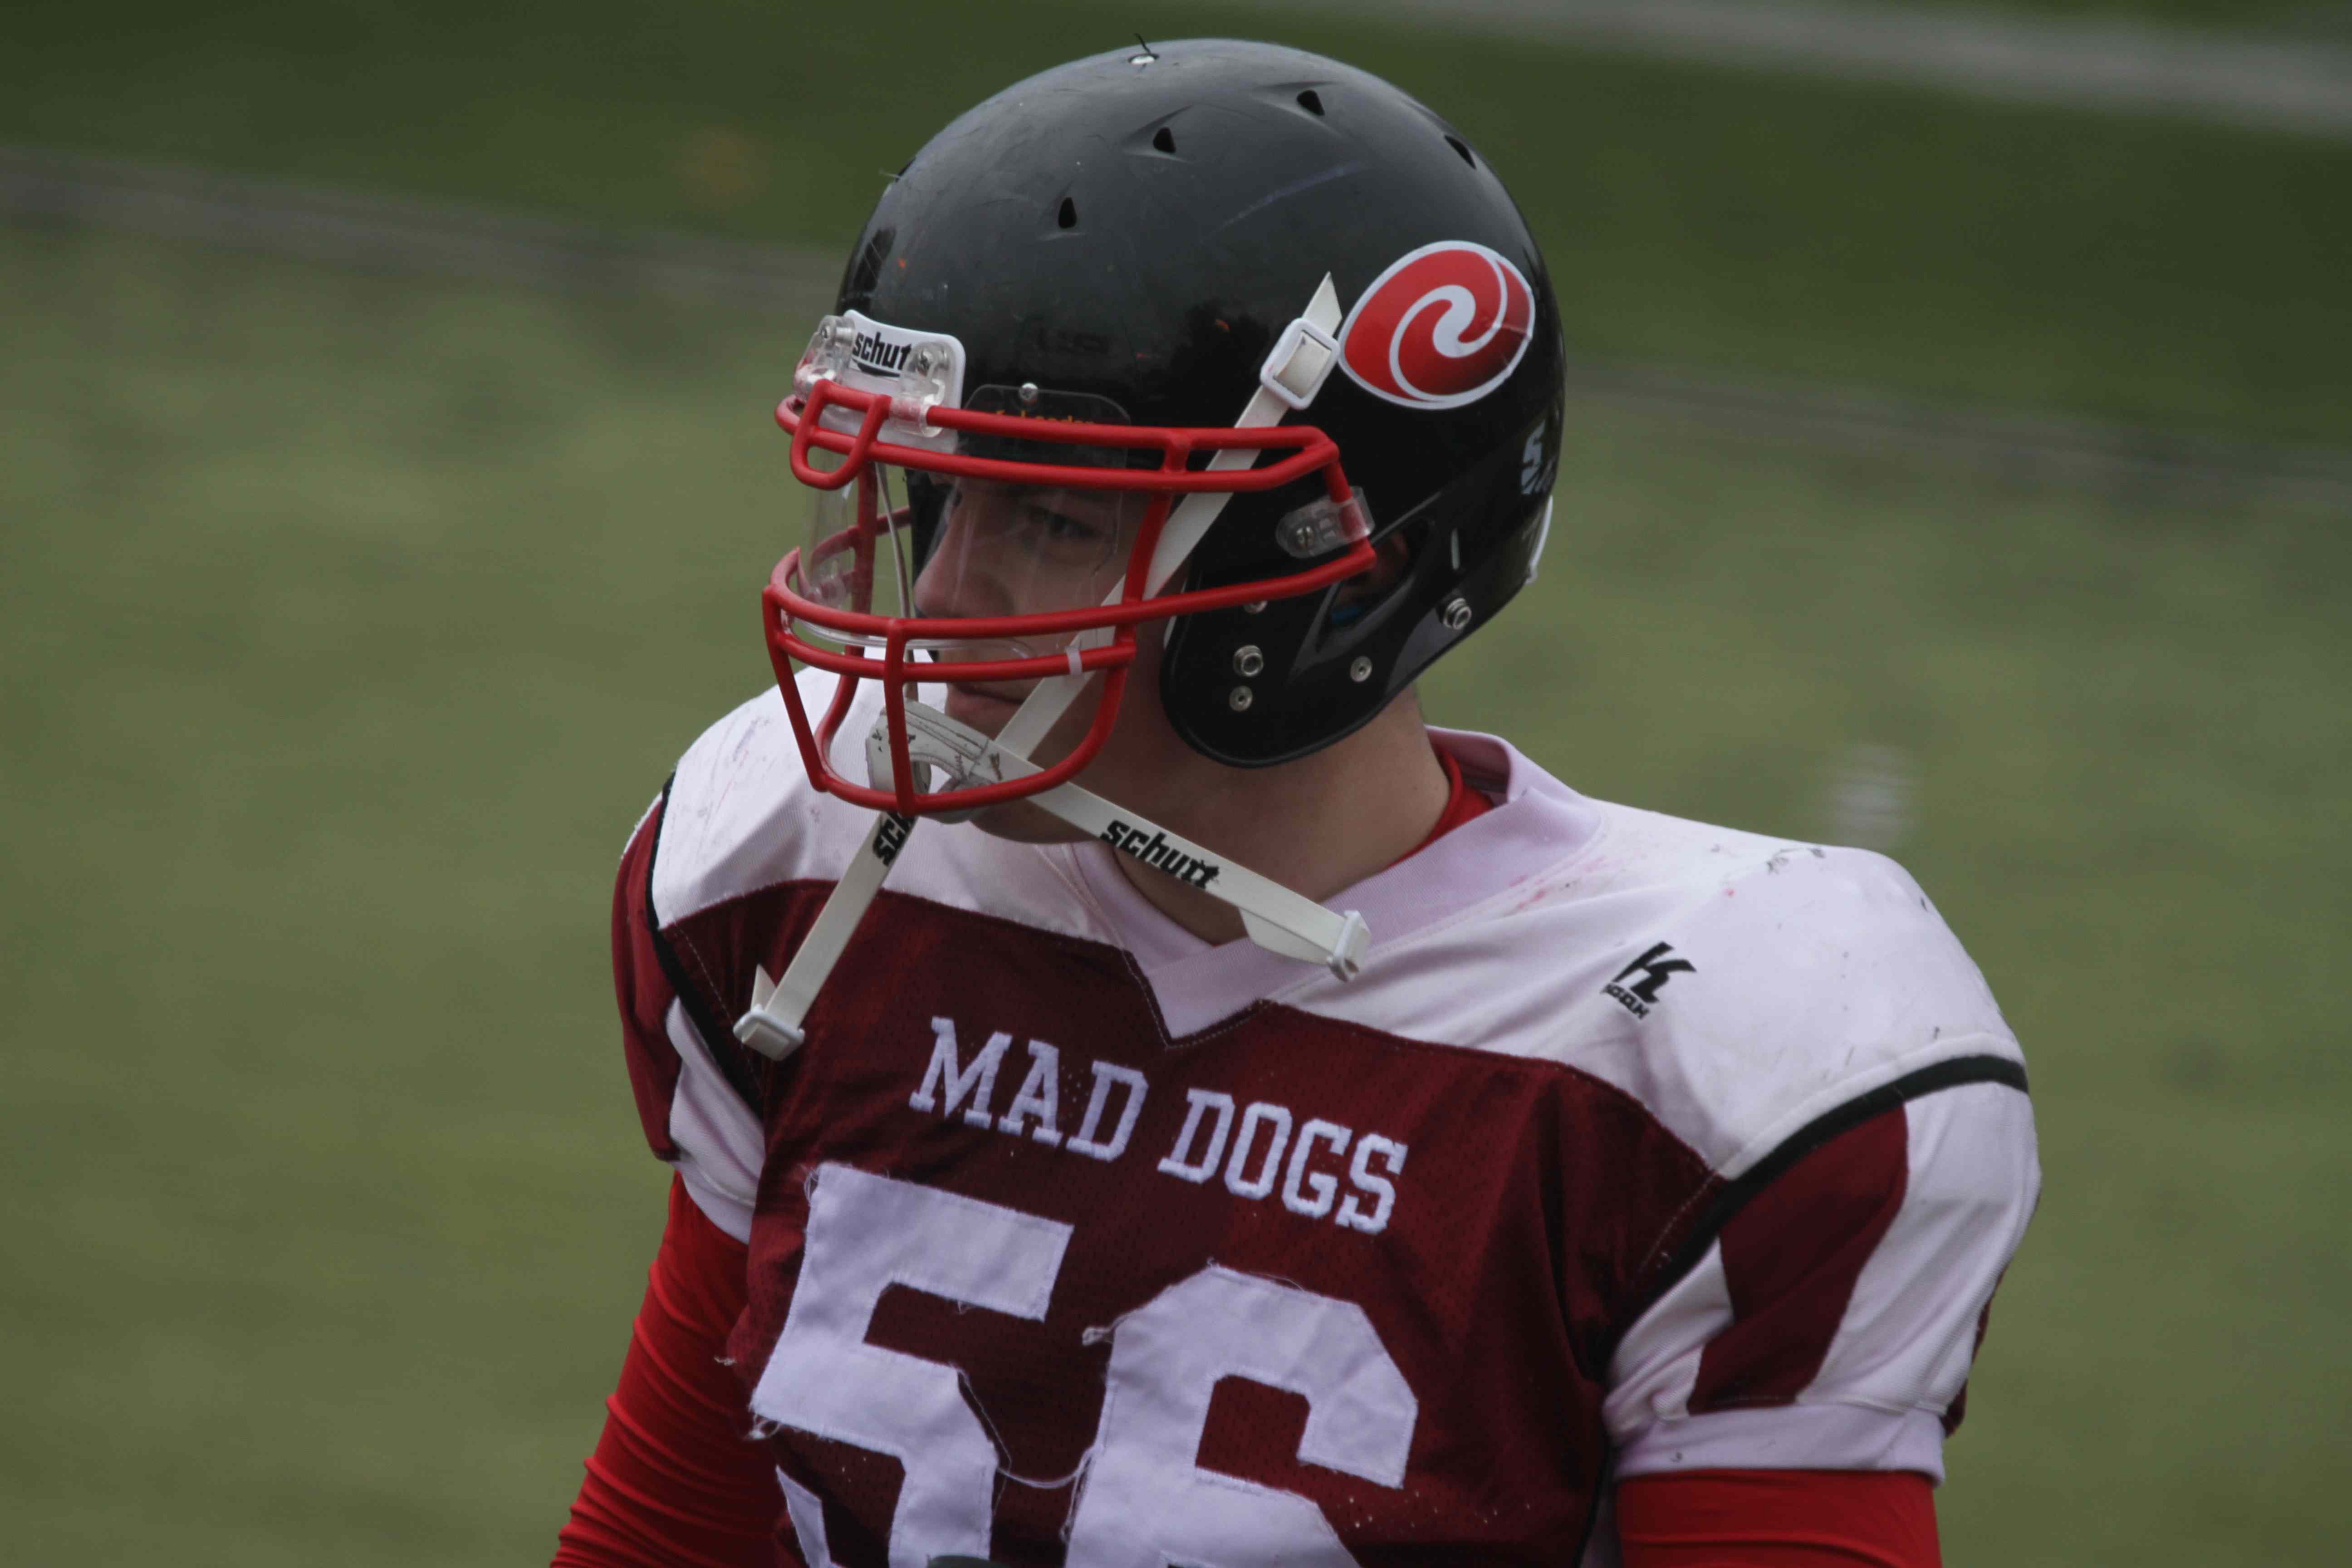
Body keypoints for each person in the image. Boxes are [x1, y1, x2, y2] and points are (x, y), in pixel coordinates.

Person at [553, 38, 2038, 1568]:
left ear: (1340, 572)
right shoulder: (801, 879)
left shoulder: (1695, 1060)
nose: (938, 605)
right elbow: (671, 1531)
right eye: (942, 496)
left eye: (1055, 521)